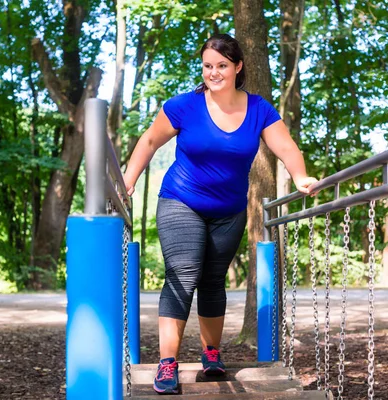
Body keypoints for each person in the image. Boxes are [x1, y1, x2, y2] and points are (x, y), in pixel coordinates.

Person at [123, 33, 318, 395]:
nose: (214, 73)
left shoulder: (259, 109)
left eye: (222, 66)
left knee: (212, 281)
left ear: (238, 66)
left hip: (229, 211)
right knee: (183, 271)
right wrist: (129, 181)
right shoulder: (184, 106)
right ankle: (168, 364)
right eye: (208, 66)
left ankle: (212, 354)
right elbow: (149, 141)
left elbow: (285, 147)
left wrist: (300, 175)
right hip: (181, 200)